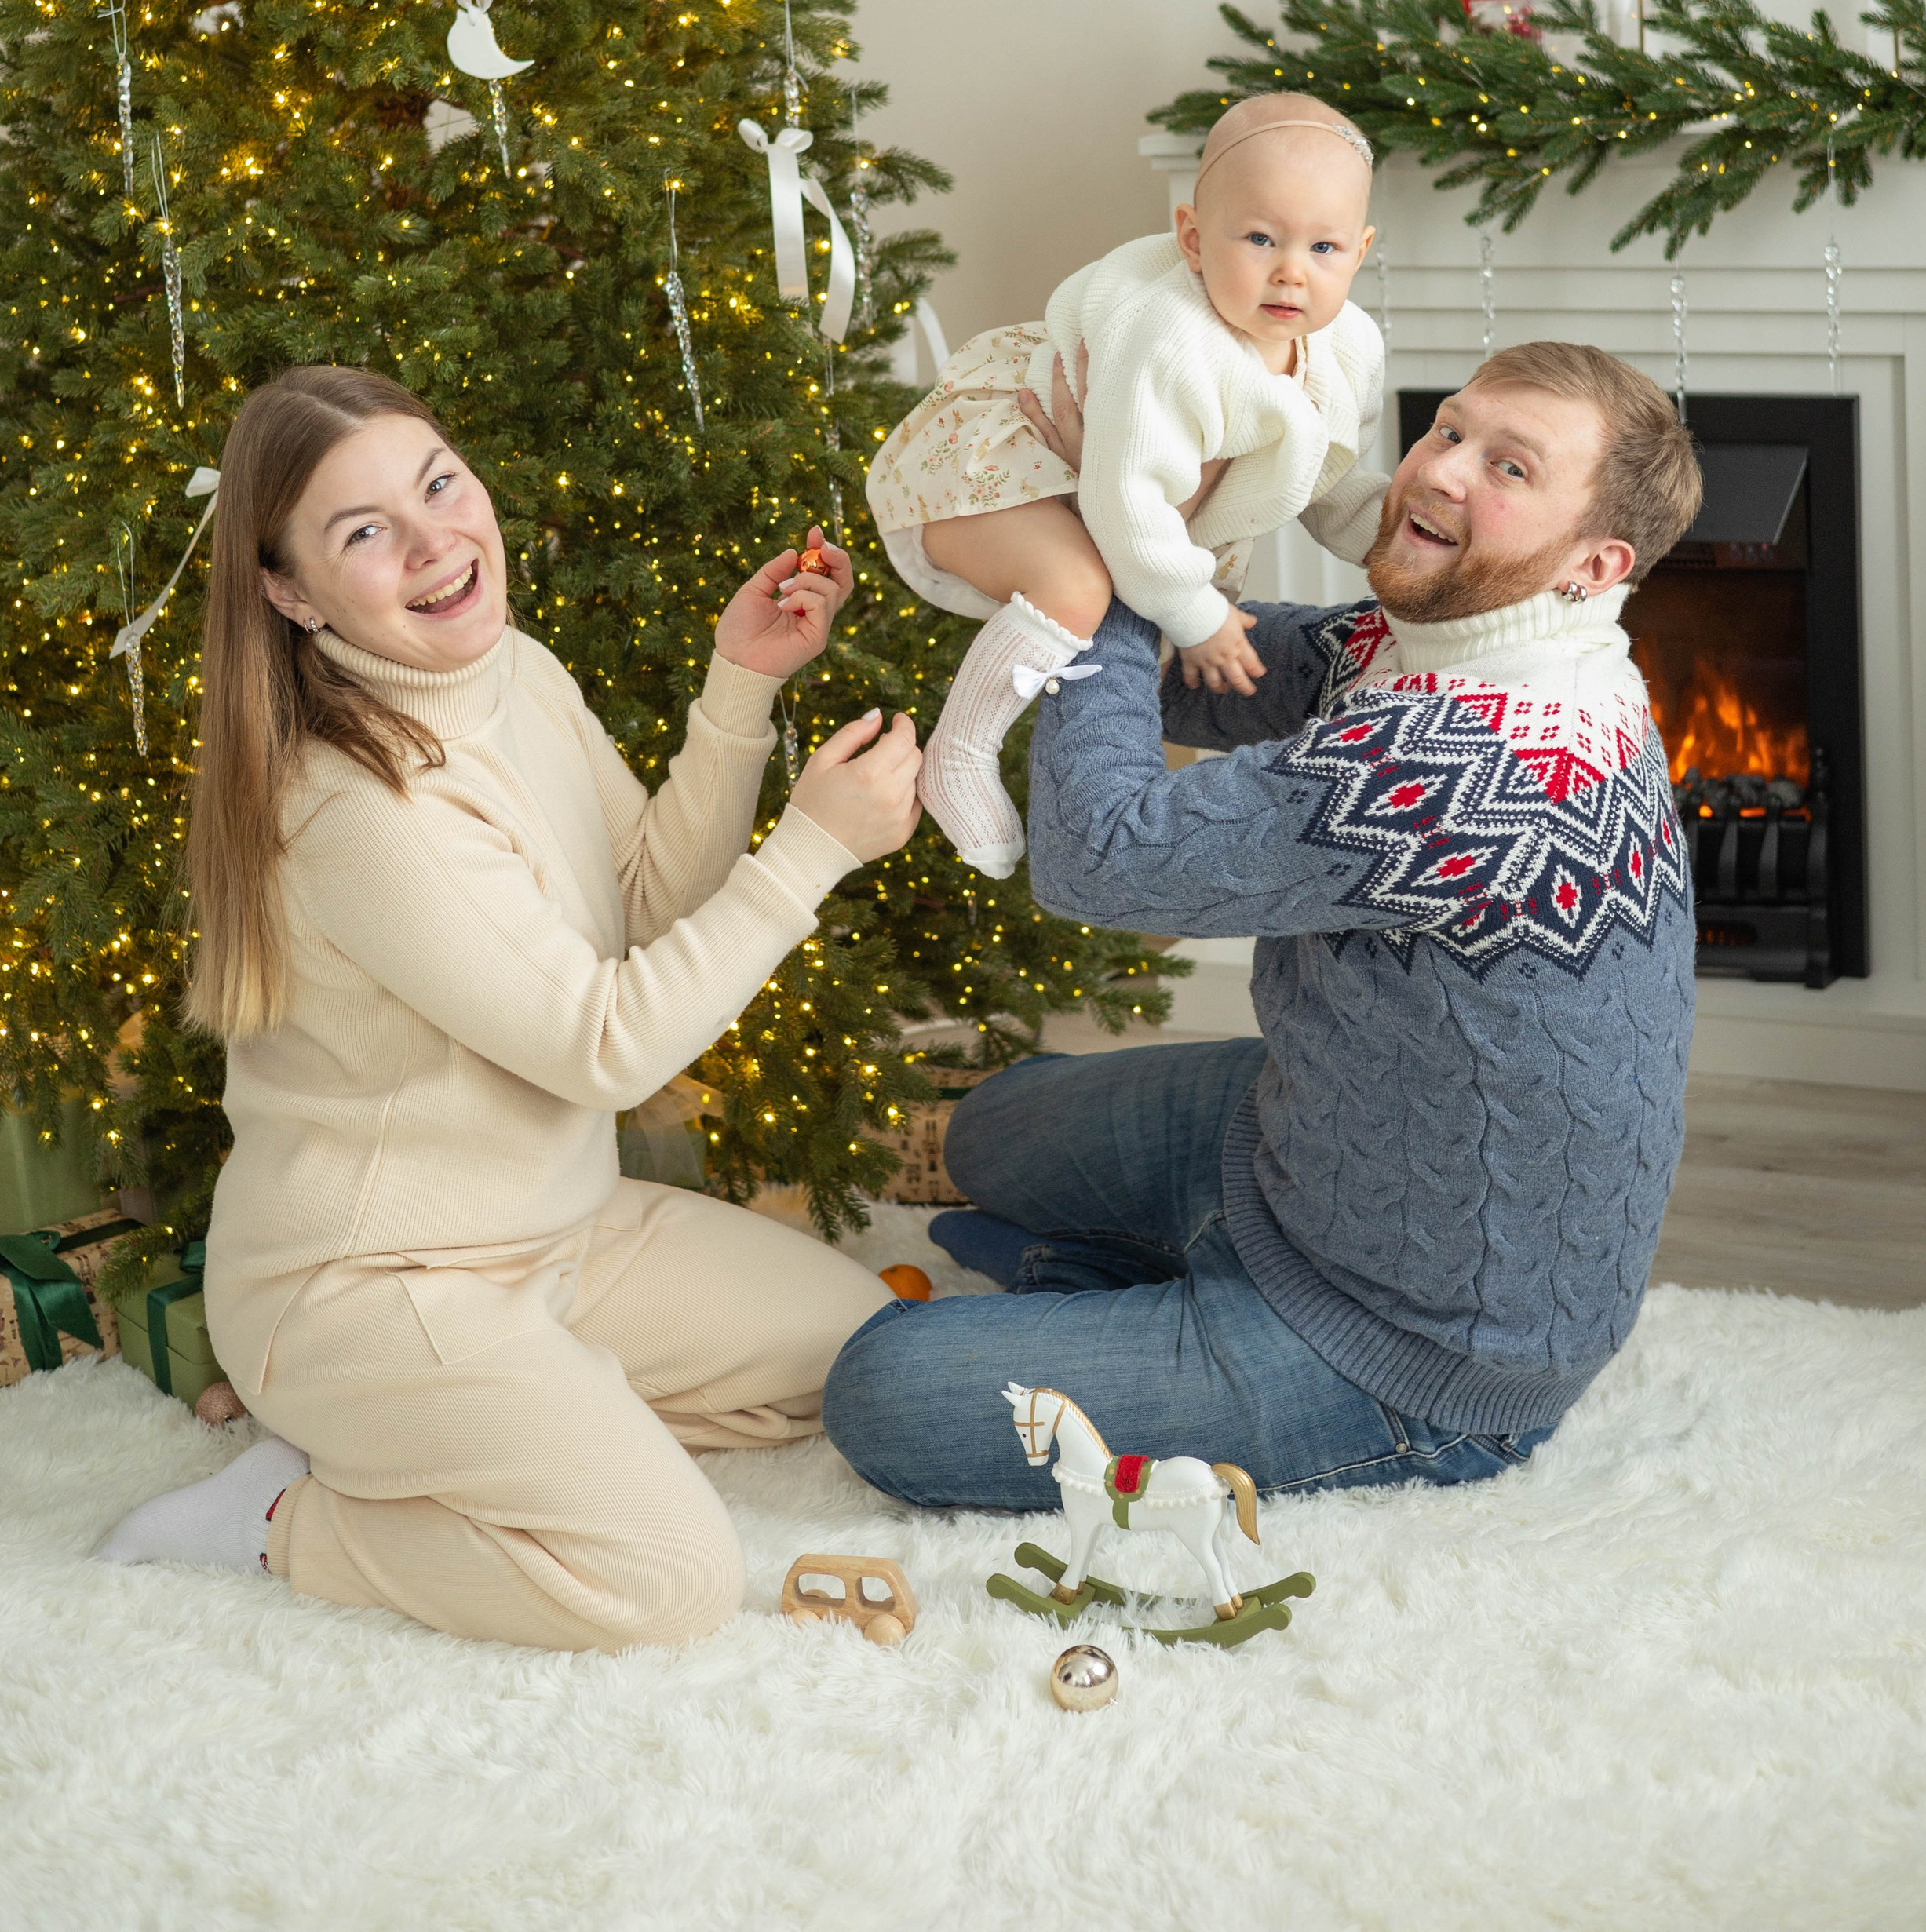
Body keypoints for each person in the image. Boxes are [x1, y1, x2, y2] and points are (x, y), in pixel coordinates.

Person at [94, 363, 920, 1651]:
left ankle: (469, 1433)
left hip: (562, 1236)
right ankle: (282, 1514)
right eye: (364, 532)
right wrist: (810, 850)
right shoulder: (356, 806)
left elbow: (639, 904)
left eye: (439, 484)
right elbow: (607, 1045)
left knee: (871, 1356)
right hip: (373, 1288)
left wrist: (738, 685)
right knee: (669, 1580)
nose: (435, 542)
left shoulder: (514, 672)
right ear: (291, 592)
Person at [822, 341, 1704, 1511]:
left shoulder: (1490, 758)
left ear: (1595, 563)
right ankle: (1147, 1291)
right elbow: (1199, 668)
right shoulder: (1431, 645)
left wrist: (1089, 560)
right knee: (991, 1132)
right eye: (1449, 429)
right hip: (1320, 1142)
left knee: (882, 1391)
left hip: (1415, 1345)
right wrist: (1133, 533)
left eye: (1510, 467)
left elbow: (1098, 856)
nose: (1441, 470)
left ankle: (1149, 1308)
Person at [865, 91, 1386, 880]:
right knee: (1078, 586)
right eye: (1258, 237)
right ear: (1193, 239)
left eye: (1324, 246)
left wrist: (1396, 541)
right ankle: (962, 748)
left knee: (1110, 592)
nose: (1291, 270)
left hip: (1098, 487)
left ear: (1360, 250)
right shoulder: (1171, 339)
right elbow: (1127, 507)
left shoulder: (1346, 344)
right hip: (1000, 468)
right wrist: (1197, 616)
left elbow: (1321, 470)